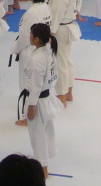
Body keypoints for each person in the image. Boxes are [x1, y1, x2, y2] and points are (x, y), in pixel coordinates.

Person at [21, 23, 61, 180]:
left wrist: (32, 106)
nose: (29, 36)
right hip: (46, 97)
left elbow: (36, 86)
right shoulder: (48, 50)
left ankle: (43, 169)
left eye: (31, 34)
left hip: (38, 100)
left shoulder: (37, 59)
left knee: (37, 136)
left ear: (37, 39)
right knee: (45, 132)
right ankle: (44, 165)